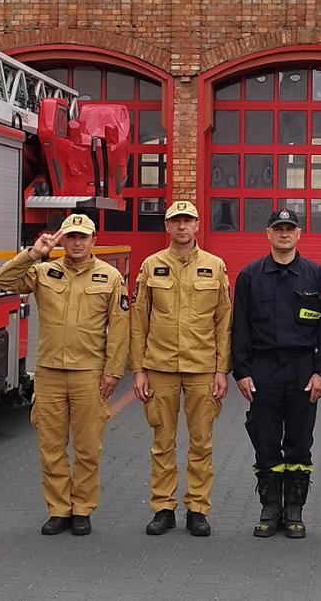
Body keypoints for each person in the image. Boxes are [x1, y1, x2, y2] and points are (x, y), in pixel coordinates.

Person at [0, 213, 129, 537]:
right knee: (51, 446)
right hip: (50, 373)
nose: (77, 242)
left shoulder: (109, 278)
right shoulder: (43, 272)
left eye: (83, 237)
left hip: (88, 374)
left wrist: (113, 371)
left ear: (93, 240)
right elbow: (3, 280)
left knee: (87, 447)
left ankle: (82, 509)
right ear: (62, 241)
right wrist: (33, 253)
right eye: (71, 237)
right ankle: (58, 510)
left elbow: (121, 328)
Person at [231, 208, 321, 539]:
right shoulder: (250, 276)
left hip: (303, 368)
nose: (284, 234)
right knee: (265, 440)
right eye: (278, 229)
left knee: (299, 443)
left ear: (299, 234)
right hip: (263, 368)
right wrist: (241, 371)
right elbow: (240, 328)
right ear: (268, 234)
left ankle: (293, 512)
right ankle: (269, 508)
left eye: (290, 229)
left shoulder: (315, 275)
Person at [130, 200, 233, 537]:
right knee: (163, 440)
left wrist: (222, 369)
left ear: (198, 226)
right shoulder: (151, 265)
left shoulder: (215, 267)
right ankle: (163, 507)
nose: (182, 227)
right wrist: (139, 370)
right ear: (167, 227)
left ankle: (198, 508)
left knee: (201, 442)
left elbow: (224, 323)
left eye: (188, 221)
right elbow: (138, 321)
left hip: (203, 368)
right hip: (159, 367)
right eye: (176, 221)